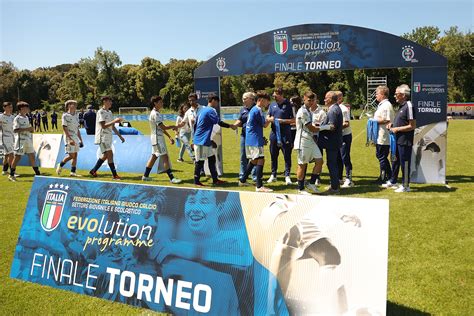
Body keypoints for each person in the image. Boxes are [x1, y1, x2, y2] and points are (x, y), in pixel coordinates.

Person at [269, 209, 361, 315]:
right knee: (292, 231)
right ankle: (272, 310)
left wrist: (341, 214)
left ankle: (340, 313)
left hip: (300, 214)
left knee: (329, 254)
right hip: (275, 208)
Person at [192, 94, 236, 186]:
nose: (217, 104)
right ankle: (196, 181)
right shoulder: (211, 110)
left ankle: (215, 179)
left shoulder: (201, 109)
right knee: (200, 161)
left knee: (212, 159)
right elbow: (218, 122)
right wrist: (230, 126)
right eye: (217, 102)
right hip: (201, 140)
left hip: (203, 140)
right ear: (213, 100)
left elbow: (195, 125)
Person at [383, 84, 416, 192]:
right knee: (395, 161)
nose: (394, 96)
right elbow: (402, 122)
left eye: (396, 94)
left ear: (403, 95)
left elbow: (412, 125)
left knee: (404, 162)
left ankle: (406, 185)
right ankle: (393, 181)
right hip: (397, 140)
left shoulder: (409, 106)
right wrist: (392, 125)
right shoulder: (401, 106)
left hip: (405, 140)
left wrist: (397, 129)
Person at [239, 91, 274, 192]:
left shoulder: (254, 109)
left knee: (254, 160)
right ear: (261, 100)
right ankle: (259, 186)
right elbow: (264, 124)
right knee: (261, 160)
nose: (268, 104)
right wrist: (270, 119)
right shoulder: (258, 110)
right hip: (255, 140)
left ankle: (243, 179)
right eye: (267, 101)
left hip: (251, 139)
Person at [142, 95, 181, 183]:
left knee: (154, 157)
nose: (162, 103)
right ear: (155, 103)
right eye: (160, 102)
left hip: (156, 138)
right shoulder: (155, 114)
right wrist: (174, 126)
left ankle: (145, 176)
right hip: (157, 139)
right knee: (165, 157)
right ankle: (172, 178)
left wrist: (169, 136)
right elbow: (163, 127)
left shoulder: (156, 113)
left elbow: (160, 128)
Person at [294, 91, 324, 195]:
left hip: (310, 140)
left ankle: (311, 183)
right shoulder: (302, 111)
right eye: (309, 100)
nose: (311, 102)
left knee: (319, 161)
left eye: (312, 100)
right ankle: (300, 188)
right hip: (303, 141)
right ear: (304, 99)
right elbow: (311, 128)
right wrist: (326, 127)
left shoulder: (309, 111)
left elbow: (313, 127)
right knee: (302, 164)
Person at [89, 96, 125, 180]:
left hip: (108, 137)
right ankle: (115, 175)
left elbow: (112, 126)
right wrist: (115, 121)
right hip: (102, 137)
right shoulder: (101, 112)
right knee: (110, 154)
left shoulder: (110, 112)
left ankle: (93, 170)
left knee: (105, 155)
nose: (111, 103)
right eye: (109, 101)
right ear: (104, 102)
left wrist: (120, 136)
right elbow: (103, 126)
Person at [267, 88, 295, 185]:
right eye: (273, 95)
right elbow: (268, 117)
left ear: (281, 95)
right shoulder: (272, 105)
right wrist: (271, 119)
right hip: (274, 134)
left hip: (285, 134)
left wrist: (282, 121)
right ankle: (273, 175)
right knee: (273, 155)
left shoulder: (289, 105)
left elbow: (294, 120)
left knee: (287, 155)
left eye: (276, 95)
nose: (274, 97)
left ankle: (287, 176)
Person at [318, 91, 343, 194]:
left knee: (332, 164)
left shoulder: (333, 110)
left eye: (325, 98)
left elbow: (332, 127)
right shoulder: (336, 108)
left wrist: (319, 128)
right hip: (334, 141)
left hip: (332, 142)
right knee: (333, 164)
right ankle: (335, 184)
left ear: (330, 99)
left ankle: (334, 187)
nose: (324, 100)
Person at [9, 101, 41, 181]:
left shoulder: (26, 117)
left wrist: (31, 130)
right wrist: (27, 129)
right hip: (20, 140)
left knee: (32, 156)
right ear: (21, 109)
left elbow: (29, 128)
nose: (28, 109)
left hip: (28, 139)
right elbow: (15, 130)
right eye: (26, 108)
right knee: (17, 157)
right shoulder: (17, 118)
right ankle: (11, 175)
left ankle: (38, 174)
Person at [232, 91, 257, 181]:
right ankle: (242, 175)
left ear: (251, 99)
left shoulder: (257, 109)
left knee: (254, 156)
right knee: (243, 156)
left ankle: (255, 176)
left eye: (245, 98)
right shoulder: (243, 109)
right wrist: (234, 125)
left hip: (254, 136)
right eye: (243, 99)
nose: (243, 100)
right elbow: (240, 120)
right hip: (244, 135)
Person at [56, 100, 84, 177]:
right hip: (69, 138)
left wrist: (81, 140)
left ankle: (73, 172)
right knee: (71, 155)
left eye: (75, 104)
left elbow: (77, 129)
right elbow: (64, 128)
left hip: (75, 137)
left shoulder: (76, 115)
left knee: (75, 155)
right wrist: (69, 139)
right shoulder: (65, 116)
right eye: (73, 104)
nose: (75, 106)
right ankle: (60, 164)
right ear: (68, 106)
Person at [373, 85, 394, 184]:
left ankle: (384, 177)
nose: (375, 96)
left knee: (381, 156)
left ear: (382, 94)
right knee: (380, 156)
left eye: (377, 94)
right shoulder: (382, 105)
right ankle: (388, 176)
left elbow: (387, 119)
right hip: (380, 135)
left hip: (384, 136)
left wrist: (373, 121)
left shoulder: (386, 105)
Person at [335, 91, 354, 188]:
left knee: (345, 157)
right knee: (337, 157)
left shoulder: (344, 109)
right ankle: (339, 178)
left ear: (340, 98)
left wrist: (335, 128)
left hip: (345, 136)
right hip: (337, 136)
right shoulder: (333, 108)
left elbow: (347, 123)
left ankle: (349, 179)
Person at [0, 102, 15, 176]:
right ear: (4, 108)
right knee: (11, 154)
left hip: (12, 138)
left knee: (6, 155)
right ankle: (12, 172)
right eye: (9, 107)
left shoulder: (12, 117)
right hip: (5, 138)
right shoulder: (1, 116)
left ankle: (4, 170)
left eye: (11, 107)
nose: (10, 109)